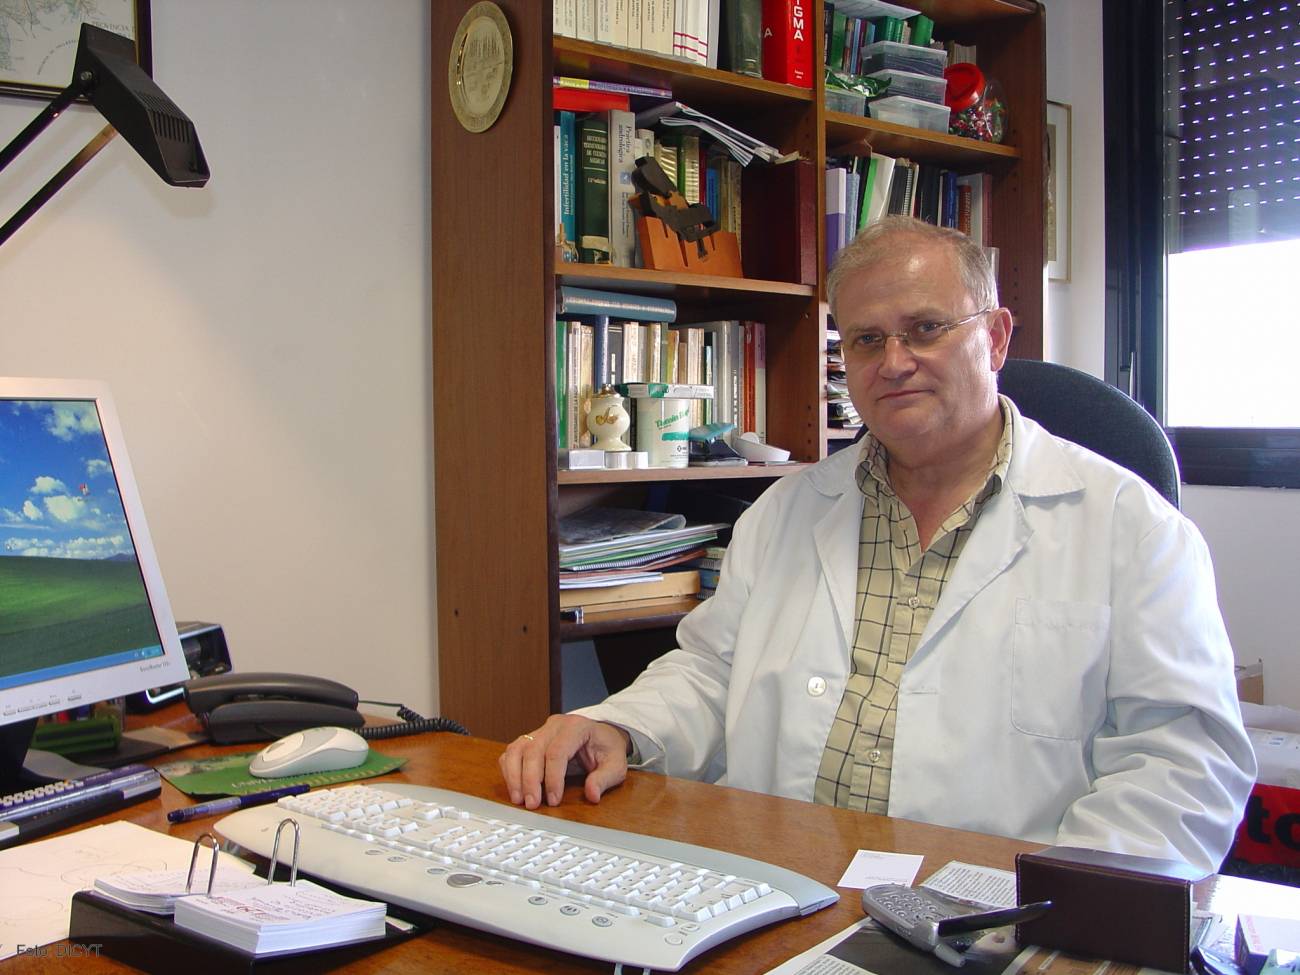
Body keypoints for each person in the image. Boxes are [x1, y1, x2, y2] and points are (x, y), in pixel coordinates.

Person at [500, 216, 1255, 873]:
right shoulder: (790, 509)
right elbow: (713, 673)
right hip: (782, 888)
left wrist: (1061, 908)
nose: (894, 362)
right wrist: (618, 726)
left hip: (995, 920)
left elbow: (1181, 765)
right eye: (866, 340)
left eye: (926, 328)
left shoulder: (1132, 529)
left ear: (994, 337)